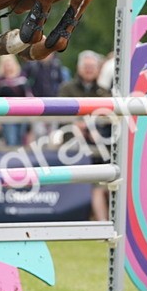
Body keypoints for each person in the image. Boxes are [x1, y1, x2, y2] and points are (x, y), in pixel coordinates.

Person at [59, 50, 111, 221]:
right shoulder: (66, 89)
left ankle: (103, 222)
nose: (89, 70)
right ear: (79, 68)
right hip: (73, 146)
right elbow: (60, 117)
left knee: (100, 183)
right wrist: (75, 125)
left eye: (92, 67)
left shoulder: (104, 92)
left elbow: (109, 120)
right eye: (86, 66)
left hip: (98, 147)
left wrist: (94, 126)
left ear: (98, 69)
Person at [0, 55, 30, 147]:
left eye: (10, 64)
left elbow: (28, 97)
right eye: (6, 64)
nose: (8, 66)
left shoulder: (22, 79)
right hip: (7, 116)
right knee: (11, 141)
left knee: (21, 140)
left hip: (22, 114)